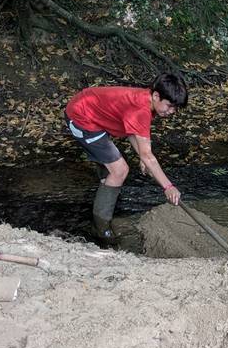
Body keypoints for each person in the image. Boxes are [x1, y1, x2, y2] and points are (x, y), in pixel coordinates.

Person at [64, 72, 188, 241]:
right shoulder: (141, 109)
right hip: (81, 117)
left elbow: (132, 131)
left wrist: (142, 157)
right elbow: (148, 155)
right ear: (156, 95)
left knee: (114, 170)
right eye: (169, 106)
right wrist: (168, 187)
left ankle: (106, 189)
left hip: (90, 112)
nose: (172, 111)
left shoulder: (146, 100)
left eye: (175, 108)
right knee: (120, 170)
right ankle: (101, 228)